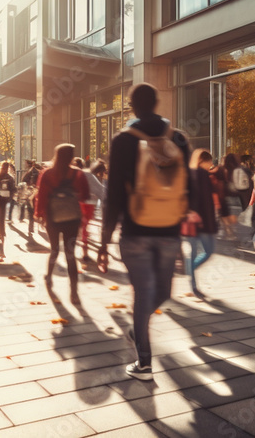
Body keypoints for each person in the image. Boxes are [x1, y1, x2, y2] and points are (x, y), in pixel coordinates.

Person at [98, 83, 191, 381]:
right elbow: (185, 188)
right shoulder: (178, 139)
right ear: (157, 102)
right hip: (169, 231)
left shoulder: (123, 140)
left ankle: (144, 360)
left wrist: (103, 241)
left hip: (135, 231)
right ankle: (141, 347)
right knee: (161, 292)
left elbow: (112, 195)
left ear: (132, 107)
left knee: (142, 294)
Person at [34, 144, 90, 305]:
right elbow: (85, 195)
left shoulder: (48, 173)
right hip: (72, 218)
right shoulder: (78, 174)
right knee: (70, 254)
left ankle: (49, 277)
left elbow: (42, 196)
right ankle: (74, 293)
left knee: (54, 250)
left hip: (53, 217)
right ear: (72, 156)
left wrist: (39, 214)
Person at [185, 149, 218, 298]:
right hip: (202, 222)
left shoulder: (189, 174)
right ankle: (190, 272)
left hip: (191, 221)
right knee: (208, 251)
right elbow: (207, 202)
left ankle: (191, 279)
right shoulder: (202, 175)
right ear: (202, 161)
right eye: (209, 162)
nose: (211, 165)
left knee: (194, 253)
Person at [79, 159, 107, 266]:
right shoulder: (91, 176)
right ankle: (85, 253)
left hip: (80, 203)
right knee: (85, 228)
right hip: (88, 204)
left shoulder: (83, 173)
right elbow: (101, 192)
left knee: (83, 227)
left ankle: (83, 246)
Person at [20, 160, 40, 235]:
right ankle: (32, 225)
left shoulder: (29, 172)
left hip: (30, 192)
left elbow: (23, 180)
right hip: (36, 192)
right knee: (33, 209)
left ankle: (30, 226)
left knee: (30, 210)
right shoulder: (38, 172)